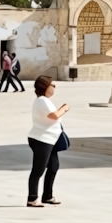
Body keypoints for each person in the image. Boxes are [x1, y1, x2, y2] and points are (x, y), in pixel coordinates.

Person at [27, 75, 68, 207]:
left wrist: (60, 109)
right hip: (41, 139)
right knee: (38, 170)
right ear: (46, 86)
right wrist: (65, 108)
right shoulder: (42, 100)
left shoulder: (45, 101)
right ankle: (32, 198)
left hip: (51, 139)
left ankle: (47, 196)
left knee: (53, 167)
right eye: (53, 85)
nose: (54, 88)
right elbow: (54, 115)